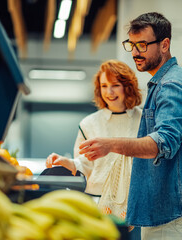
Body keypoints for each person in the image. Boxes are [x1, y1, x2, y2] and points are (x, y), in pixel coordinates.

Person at [79, 12, 182, 240]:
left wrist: (111, 145)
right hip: (167, 207)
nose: (135, 52)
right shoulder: (163, 82)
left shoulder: (172, 85)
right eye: (132, 45)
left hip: (174, 209)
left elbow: (163, 142)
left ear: (165, 44)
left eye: (143, 45)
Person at [45, 59, 142, 219]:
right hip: (96, 204)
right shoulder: (88, 123)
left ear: (128, 86)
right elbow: (84, 165)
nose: (109, 92)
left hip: (135, 205)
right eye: (104, 86)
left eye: (115, 85)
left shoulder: (145, 120)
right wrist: (66, 163)